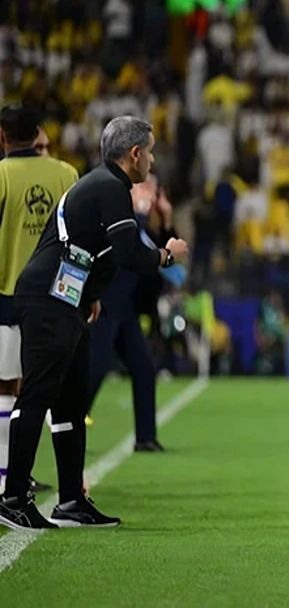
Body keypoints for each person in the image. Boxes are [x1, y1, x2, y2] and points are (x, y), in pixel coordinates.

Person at [0, 116, 189, 531]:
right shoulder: (110, 187)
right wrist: (167, 254)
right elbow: (128, 252)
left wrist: (91, 295)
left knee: (70, 400)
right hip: (48, 299)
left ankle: (71, 500)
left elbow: (89, 247)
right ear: (134, 154)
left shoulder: (103, 184)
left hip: (67, 299)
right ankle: (12, 498)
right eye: (150, 152)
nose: (152, 160)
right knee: (36, 395)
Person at [0, 106, 78, 495]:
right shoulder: (66, 174)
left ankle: (7, 477)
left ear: (2, 136)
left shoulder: (1, 175)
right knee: (52, 390)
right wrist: (85, 291)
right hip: (58, 296)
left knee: (8, 387)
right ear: (36, 135)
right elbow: (80, 238)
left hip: (8, 295)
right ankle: (68, 487)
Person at [85, 177, 180, 452]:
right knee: (96, 368)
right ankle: (68, 421)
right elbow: (125, 246)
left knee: (143, 369)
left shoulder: (145, 227)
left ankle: (145, 437)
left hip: (125, 308)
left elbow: (170, 265)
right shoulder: (117, 213)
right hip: (105, 303)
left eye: (154, 189)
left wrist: (166, 221)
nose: (150, 194)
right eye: (145, 187)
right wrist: (139, 214)